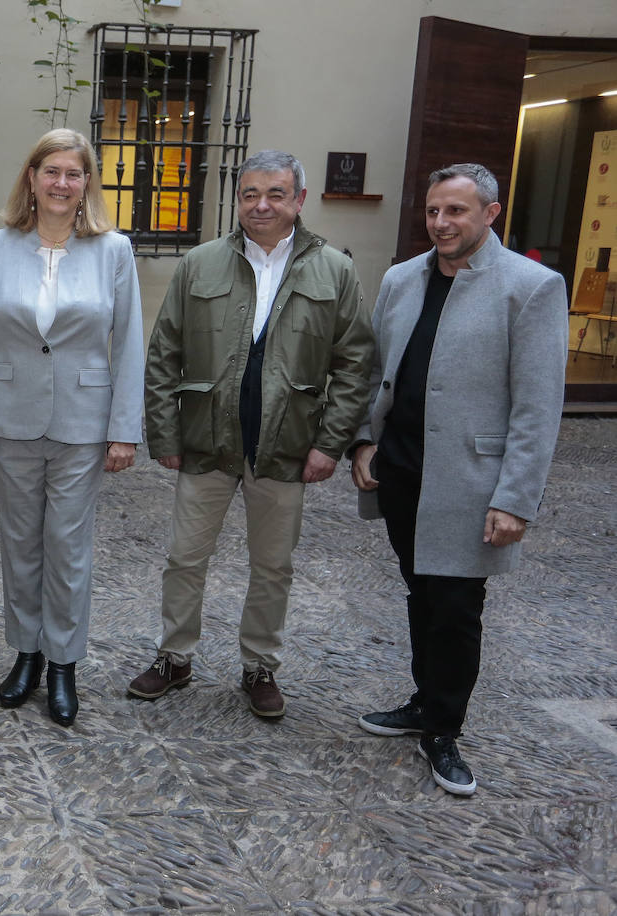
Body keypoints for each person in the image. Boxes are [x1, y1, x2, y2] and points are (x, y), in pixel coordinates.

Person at [127, 149, 373, 718]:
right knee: (185, 557)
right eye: (250, 194)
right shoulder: (200, 263)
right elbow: (165, 352)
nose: (261, 205)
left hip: (286, 447)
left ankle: (260, 666)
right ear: (237, 199)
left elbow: (356, 363)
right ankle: (174, 657)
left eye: (275, 194)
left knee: (272, 565)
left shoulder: (334, 270)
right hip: (207, 442)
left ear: (299, 200)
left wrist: (329, 443)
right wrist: (164, 435)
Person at [351, 163, 567, 797]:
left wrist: (515, 499)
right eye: (433, 211)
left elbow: (536, 405)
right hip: (402, 470)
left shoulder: (530, 288)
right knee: (422, 592)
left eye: (456, 212)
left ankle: (444, 728)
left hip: (473, 481)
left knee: (455, 607)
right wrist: (365, 441)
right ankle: (424, 701)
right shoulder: (402, 278)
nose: (441, 223)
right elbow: (377, 370)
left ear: (490, 213)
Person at [0, 128, 144, 726]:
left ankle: (63, 663)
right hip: (10, 419)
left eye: (74, 173)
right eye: (51, 171)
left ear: (87, 183)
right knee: (20, 545)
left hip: (82, 425)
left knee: (67, 547)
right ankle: (26, 654)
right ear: (31, 179)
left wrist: (124, 429)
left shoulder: (114, 250)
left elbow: (130, 342)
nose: (62, 183)